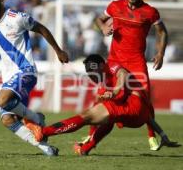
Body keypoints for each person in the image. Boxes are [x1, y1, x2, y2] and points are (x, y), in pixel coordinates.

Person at [82, 0, 170, 151]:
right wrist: (103, 27)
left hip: (137, 62)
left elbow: (163, 32)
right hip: (115, 61)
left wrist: (160, 53)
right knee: (102, 96)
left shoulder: (150, 12)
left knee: (144, 101)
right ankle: (91, 135)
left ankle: (152, 136)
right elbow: (99, 19)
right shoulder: (115, 6)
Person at [28, 54, 178, 155]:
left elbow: (123, 74)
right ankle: (86, 148)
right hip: (138, 116)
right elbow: (146, 115)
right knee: (104, 120)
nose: (92, 75)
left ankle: (43, 132)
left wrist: (116, 90)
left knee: (86, 116)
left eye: (93, 71)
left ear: (101, 65)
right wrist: (163, 134)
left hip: (134, 108)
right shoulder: (103, 86)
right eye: (89, 73)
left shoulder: (111, 67)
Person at [0, 0, 69, 156]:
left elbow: (41, 28)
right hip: (9, 78)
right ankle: (45, 148)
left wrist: (58, 51)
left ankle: (35, 119)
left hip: (26, 71)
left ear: (1, 0)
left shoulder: (17, 18)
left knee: (1, 99)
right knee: (7, 119)